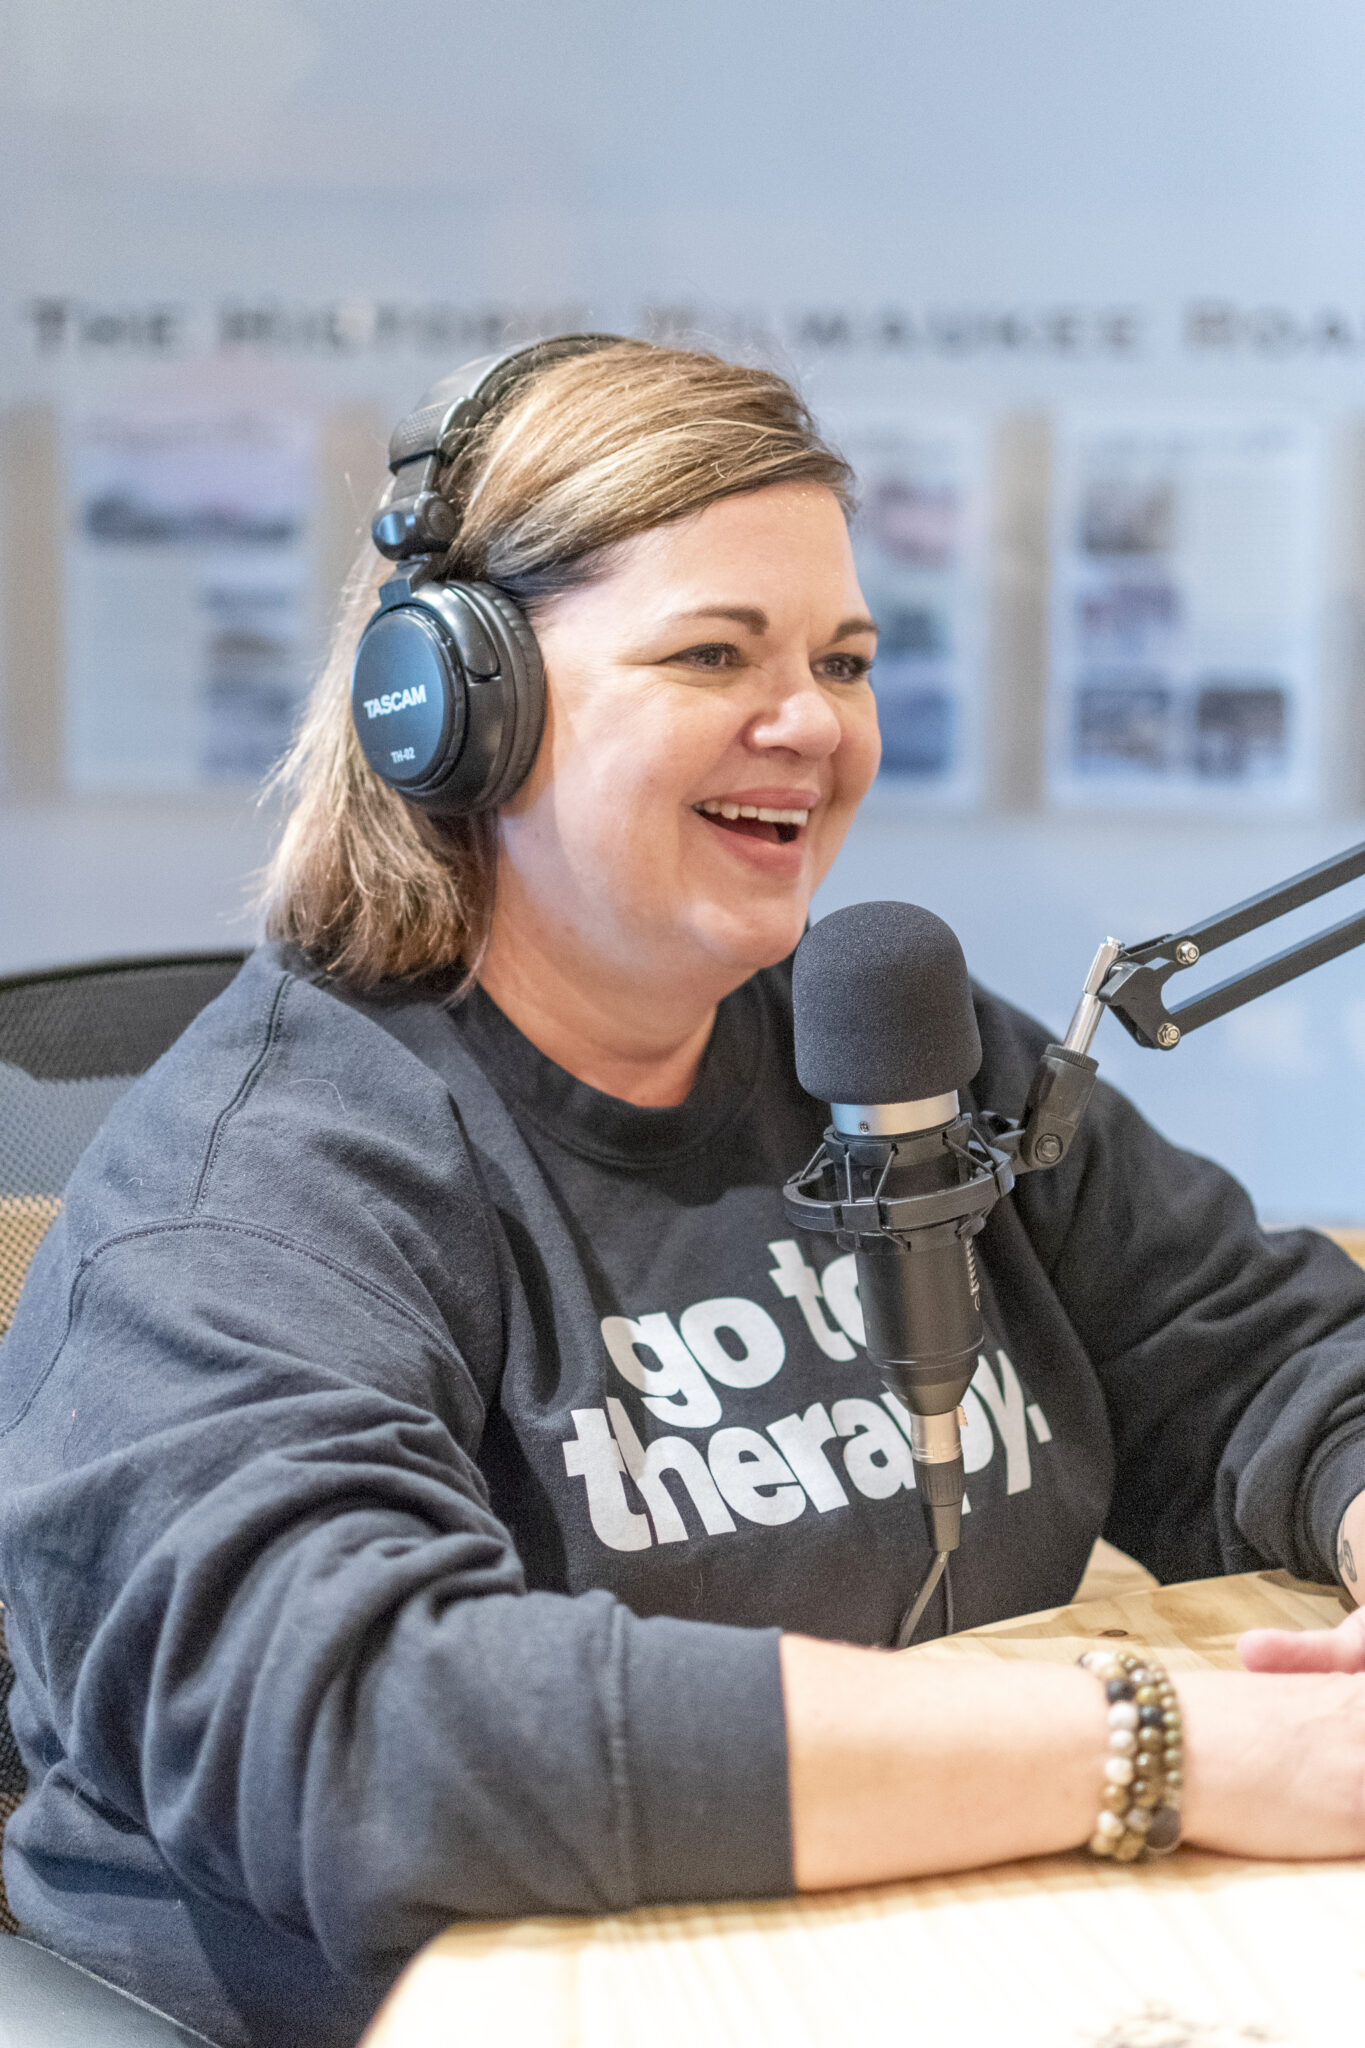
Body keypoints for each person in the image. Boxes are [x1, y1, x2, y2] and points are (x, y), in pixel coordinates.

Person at [2, 336, 1365, 2048]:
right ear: (456, 705)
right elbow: (368, 1729)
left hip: (899, 1959)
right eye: (714, 653)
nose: (812, 725)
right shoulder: (263, 1180)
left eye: (843, 660)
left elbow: (1256, 1358)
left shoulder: (885, 1047)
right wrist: (1149, 1747)